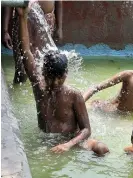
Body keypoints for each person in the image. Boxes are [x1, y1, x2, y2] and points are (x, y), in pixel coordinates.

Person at [17, 6, 109, 155]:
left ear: (65, 75)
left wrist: (68, 145)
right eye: (50, 79)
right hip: (46, 140)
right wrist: (22, 17)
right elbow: (26, 51)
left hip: (70, 140)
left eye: (59, 80)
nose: (54, 84)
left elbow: (86, 130)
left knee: (102, 149)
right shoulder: (38, 85)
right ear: (43, 74)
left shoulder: (74, 95)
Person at [2, 0, 62, 83]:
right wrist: (5, 30)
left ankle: (40, 93)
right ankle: (18, 89)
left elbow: (59, 1)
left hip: (46, 22)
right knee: (21, 70)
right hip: (23, 21)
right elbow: (9, 2)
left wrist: (59, 27)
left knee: (45, 67)